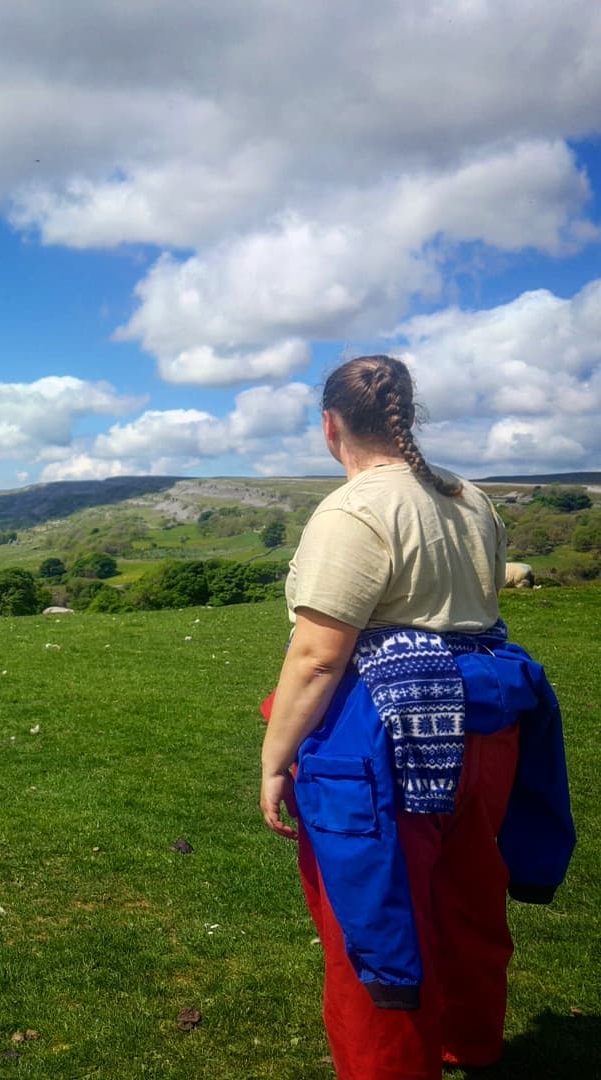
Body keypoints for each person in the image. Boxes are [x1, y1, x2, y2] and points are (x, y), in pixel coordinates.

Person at [259, 355, 574, 1079]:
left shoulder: (354, 509)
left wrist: (276, 761)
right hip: (487, 726)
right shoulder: (469, 497)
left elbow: (318, 656)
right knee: (468, 899)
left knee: (372, 915)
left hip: (387, 738)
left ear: (330, 425)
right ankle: (472, 1042)